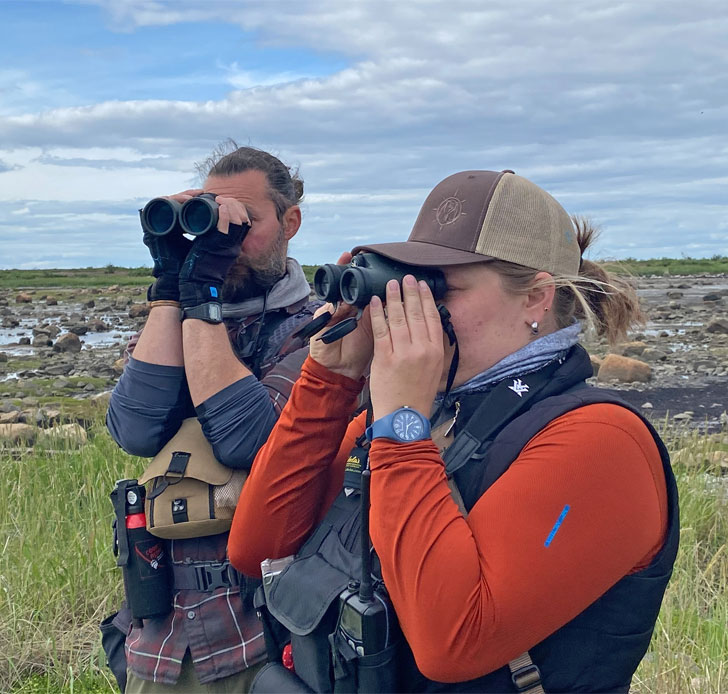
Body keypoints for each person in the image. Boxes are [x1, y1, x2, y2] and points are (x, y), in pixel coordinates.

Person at [229, 170, 679, 693]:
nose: (413, 309)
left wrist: (401, 425)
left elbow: (452, 642)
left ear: (536, 297)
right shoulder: (429, 413)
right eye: (409, 284)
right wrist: (330, 380)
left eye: (441, 288)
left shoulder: (600, 441)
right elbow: (257, 548)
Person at [101, 144, 323, 693]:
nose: (228, 243)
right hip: (160, 638)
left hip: (266, 637)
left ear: (291, 222)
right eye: (214, 220)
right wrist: (171, 282)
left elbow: (247, 438)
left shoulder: (318, 328)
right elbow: (135, 428)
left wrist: (205, 294)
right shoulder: (176, 323)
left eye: (245, 224)